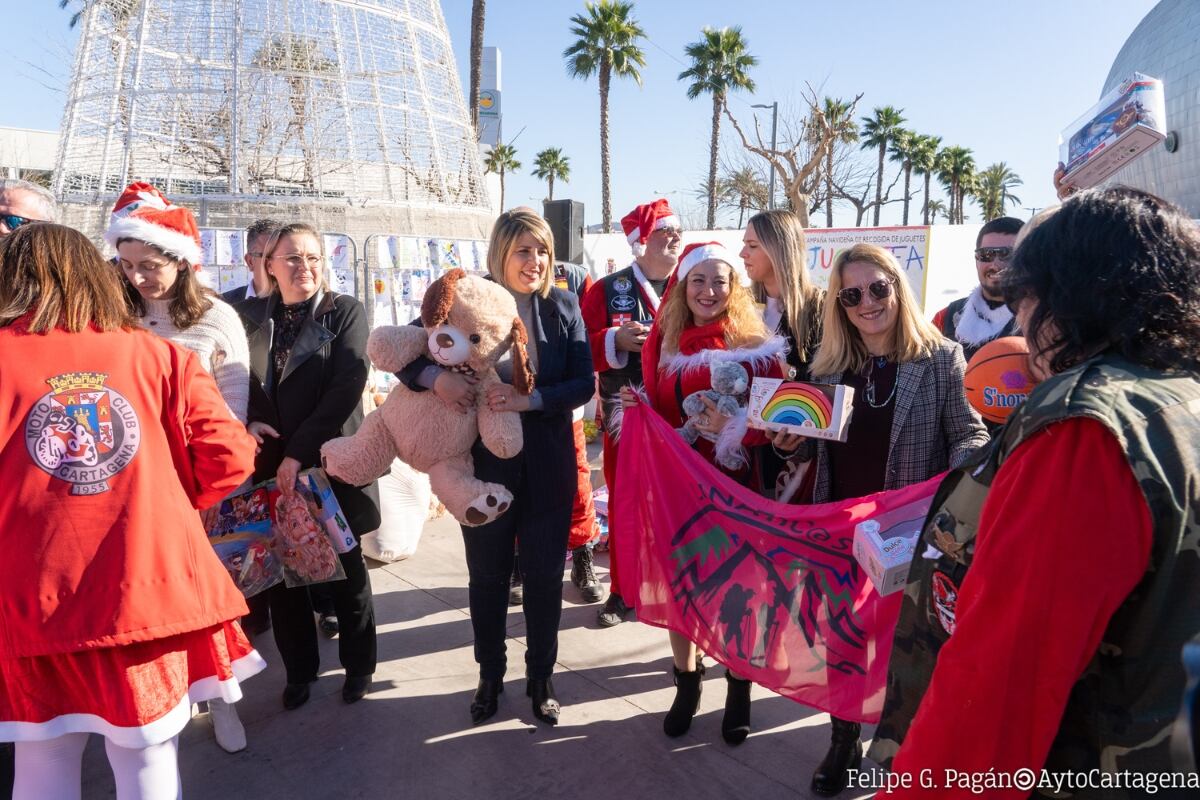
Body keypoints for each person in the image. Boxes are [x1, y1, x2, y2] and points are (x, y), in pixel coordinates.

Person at [873, 187, 1200, 799]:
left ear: (1068, 296)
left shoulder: (1084, 424)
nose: (1019, 326)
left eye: (1023, 301)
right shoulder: (1178, 393)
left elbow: (1000, 681)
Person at [0, 223, 261, 800]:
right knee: (147, 756)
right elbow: (230, 457)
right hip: (146, 590)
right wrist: (161, 500)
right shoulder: (159, 356)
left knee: (41, 759)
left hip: (29, 600)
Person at [793, 243, 988, 796]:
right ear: (839, 305)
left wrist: (952, 485)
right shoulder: (826, 366)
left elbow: (969, 434)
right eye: (851, 295)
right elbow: (811, 449)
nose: (867, 303)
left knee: (909, 644)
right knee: (843, 639)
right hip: (841, 526)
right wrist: (790, 443)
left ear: (898, 287)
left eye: (878, 288)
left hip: (910, 532)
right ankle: (842, 741)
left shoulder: (942, 359)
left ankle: (902, 748)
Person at [398, 209, 594, 726]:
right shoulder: (467, 299)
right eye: (524, 250)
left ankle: (541, 677)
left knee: (546, 575)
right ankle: (490, 675)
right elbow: (407, 351)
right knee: (486, 576)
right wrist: (433, 380)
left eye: (543, 250)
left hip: (548, 462)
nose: (536, 261)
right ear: (500, 253)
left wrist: (530, 403)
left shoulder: (564, 307)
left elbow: (584, 384)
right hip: (481, 467)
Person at [104, 182, 253, 754]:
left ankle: (224, 701)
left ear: (180, 262)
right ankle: (175, 695)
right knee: (154, 604)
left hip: (196, 485)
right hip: (132, 489)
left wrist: (207, 478)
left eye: (149, 265)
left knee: (207, 604)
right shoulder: (113, 317)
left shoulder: (217, 318)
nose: (138, 277)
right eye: (127, 265)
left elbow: (231, 404)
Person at [625, 241, 786, 744]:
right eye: (699, 281)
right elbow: (658, 414)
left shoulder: (758, 345)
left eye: (720, 281)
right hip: (679, 492)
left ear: (734, 287)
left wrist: (739, 426)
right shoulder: (664, 345)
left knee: (740, 589)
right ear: (682, 287)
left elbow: (782, 421)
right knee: (683, 587)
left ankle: (739, 687)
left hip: (738, 491)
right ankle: (687, 682)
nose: (709, 291)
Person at [237, 221, 381, 710]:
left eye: (314, 258)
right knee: (282, 577)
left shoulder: (345, 312)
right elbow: (233, 382)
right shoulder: (248, 316)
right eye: (292, 259)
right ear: (268, 265)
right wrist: (249, 424)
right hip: (270, 464)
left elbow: (345, 388)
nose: (305, 268)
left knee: (346, 570)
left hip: (328, 461)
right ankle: (299, 672)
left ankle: (359, 666)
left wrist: (298, 453)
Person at [580, 198, 681, 626]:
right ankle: (622, 593)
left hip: (684, 423)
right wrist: (612, 341)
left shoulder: (694, 282)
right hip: (628, 421)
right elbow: (579, 345)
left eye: (677, 230)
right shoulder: (608, 288)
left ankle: (677, 593)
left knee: (678, 509)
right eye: (664, 231)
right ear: (641, 243)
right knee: (625, 508)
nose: (675, 237)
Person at [739, 209, 824, 500]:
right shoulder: (741, 308)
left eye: (752, 246)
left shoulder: (821, 309)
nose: (742, 254)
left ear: (779, 249)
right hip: (745, 458)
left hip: (801, 462)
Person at [930, 216, 1024, 363]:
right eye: (986, 254)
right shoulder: (945, 318)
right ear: (976, 259)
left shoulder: (1045, 319)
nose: (996, 264)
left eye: (1008, 254)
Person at [221, 217, 281, 304]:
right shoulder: (225, 305)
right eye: (268, 256)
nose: (277, 264)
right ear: (250, 262)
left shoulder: (303, 305)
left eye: (288, 257)